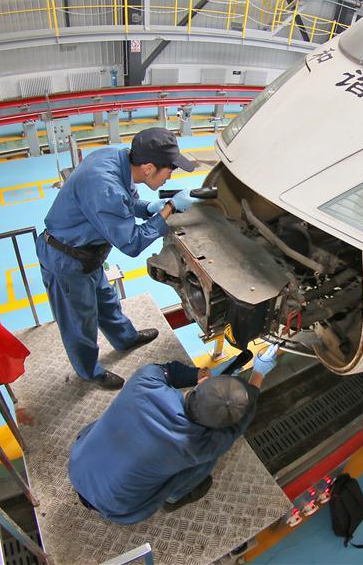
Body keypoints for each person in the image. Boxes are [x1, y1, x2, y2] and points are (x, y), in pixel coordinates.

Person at [37, 128, 200, 390]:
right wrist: (169, 208)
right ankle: (89, 371)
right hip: (66, 261)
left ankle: (125, 338)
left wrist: (147, 208)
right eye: (170, 170)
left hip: (89, 254)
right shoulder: (104, 186)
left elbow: (124, 201)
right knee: (81, 323)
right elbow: (132, 243)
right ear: (148, 168)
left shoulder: (116, 158)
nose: (171, 176)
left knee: (107, 301)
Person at [68, 344, 280, 524]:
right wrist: (259, 372)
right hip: (117, 507)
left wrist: (198, 374)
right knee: (206, 464)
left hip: (76, 466)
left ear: (200, 385)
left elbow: (166, 370)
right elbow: (238, 426)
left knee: (123, 418)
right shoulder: (203, 445)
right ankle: (174, 497)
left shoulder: (144, 383)